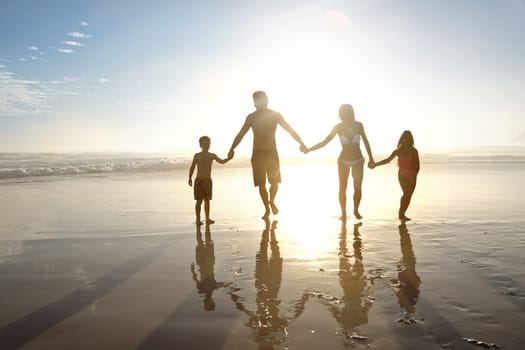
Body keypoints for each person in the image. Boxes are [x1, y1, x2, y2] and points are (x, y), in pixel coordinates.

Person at [228, 91, 306, 219]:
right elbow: (241, 134)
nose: (259, 102)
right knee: (261, 184)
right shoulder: (251, 117)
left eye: (261, 99)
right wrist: (232, 149)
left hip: (271, 153)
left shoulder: (275, 115)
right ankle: (266, 209)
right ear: (254, 103)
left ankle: (272, 201)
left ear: (266, 100)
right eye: (256, 100)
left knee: (274, 182)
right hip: (257, 154)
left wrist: (301, 142)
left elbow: (288, 128)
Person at [303, 104, 374, 219]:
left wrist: (371, 158)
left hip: (358, 160)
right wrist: (309, 149)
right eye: (343, 112)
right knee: (342, 188)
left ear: (351, 112)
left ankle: (356, 210)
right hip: (343, 161)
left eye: (348, 111)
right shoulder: (338, 127)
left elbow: (366, 142)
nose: (346, 114)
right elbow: (324, 142)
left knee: (357, 187)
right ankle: (343, 212)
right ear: (341, 114)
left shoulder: (358, 125)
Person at [371, 130, 420, 221]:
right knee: (405, 194)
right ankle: (401, 214)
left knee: (409, 196)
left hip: (412, 176)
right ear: (402, 139)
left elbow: (417, 166)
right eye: (405, 137)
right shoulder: (398, 151)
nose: (407, 139)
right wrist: (375, 164)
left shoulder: (414, 151)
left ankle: (403, 213)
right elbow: (387, 160)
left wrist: (414, 176)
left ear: (411, 139)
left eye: (409, 138)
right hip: (402, 176)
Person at [188, 135, 230, 225]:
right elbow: (192, 167)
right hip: (199, 181)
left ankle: (207, 219)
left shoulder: (212, 155)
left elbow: (222, 161)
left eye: (208, 143)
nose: (207, 145)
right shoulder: (197, 155)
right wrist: (189, 178)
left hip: (208, 181)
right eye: (204, 144)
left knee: (207, 200)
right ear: (200, 145)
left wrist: (229, 158)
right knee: (199, 201)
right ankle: (198, 219)